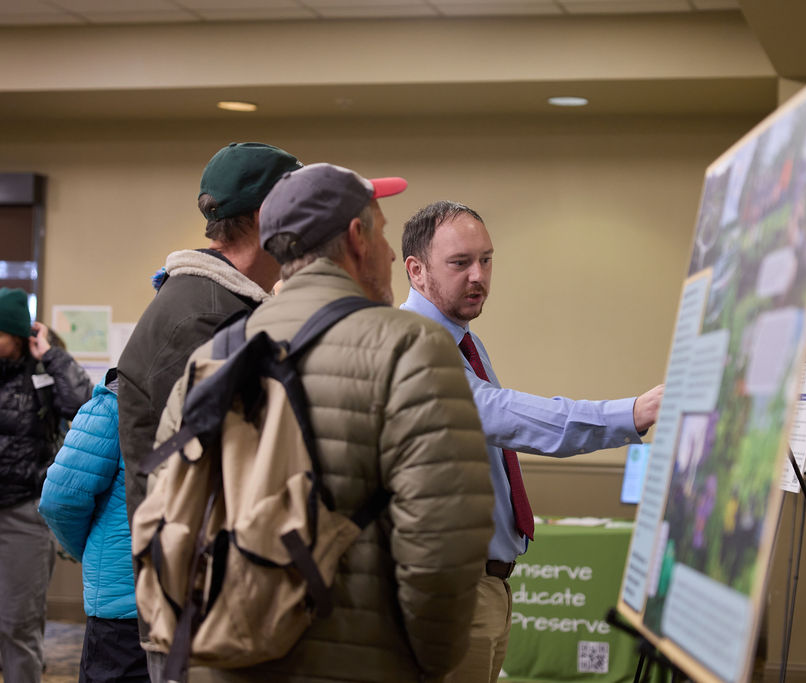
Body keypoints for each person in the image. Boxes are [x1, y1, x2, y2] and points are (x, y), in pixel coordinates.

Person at [159, 163, 494, 682]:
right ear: (357, 238)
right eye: (382, 233)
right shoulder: (412, 348)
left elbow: (165, 509)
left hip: (222, 658)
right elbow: (442, 546)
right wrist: (430, 662)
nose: (390, 255)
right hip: (357, 662)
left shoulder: (213, 356)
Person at [400, 200, 664, 683]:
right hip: (452, 590)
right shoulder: (415, 342)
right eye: (460, 263)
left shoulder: (462, 341)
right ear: (416, 270)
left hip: (486, 584)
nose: (479, 276)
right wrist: (631, 413)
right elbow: (507, 417)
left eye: (487, 259)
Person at [117, 141, 301, 679]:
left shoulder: (220, 304)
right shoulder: (207, 319)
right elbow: (208, 477)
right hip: (199, 601)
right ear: (268, 217)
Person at [0, 287, 92, 683]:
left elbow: (84, 406)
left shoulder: (44, 372)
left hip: (23, 514)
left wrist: (52, 356)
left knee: (18, 625)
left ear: (17, 334)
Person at [39, 368, 149, 682]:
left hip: (123, 609)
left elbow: (60, 500)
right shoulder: (237, 389)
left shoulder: (117, 399)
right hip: (205, 601)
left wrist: (89, 552)